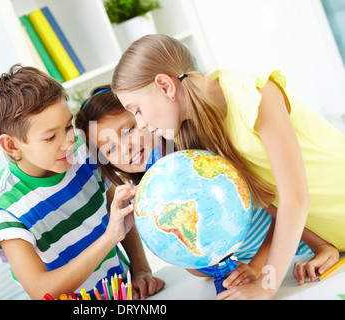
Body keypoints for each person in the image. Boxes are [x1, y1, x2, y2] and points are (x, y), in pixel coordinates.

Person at [111, 34, 345, 299]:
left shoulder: (254, 94)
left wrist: (266, 287)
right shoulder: (189, 133)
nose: (140, 124)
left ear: (165, 86)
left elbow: (296, 197)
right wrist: (267, 266)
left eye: (137, 109)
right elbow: (268, 199)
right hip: (335, 236)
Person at [74, 84, 322, 292]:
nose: (124, 148)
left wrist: (257, 267)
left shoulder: (196, 154)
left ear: (144, 117)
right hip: (265, 271)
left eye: (128, 131)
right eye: (110, 149)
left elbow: (277, 204)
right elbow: (197, 269)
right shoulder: (149, 196)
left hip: (297, 250)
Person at [0, 64, 164, 300]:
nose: (68, 142)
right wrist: (109, 238)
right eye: (50, 137)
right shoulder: (3, 207)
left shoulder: (83, 151)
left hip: (127, 296)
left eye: (68, 126)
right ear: (12, 146)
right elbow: (40, 290)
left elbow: (120, 216)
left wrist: (140, 269)